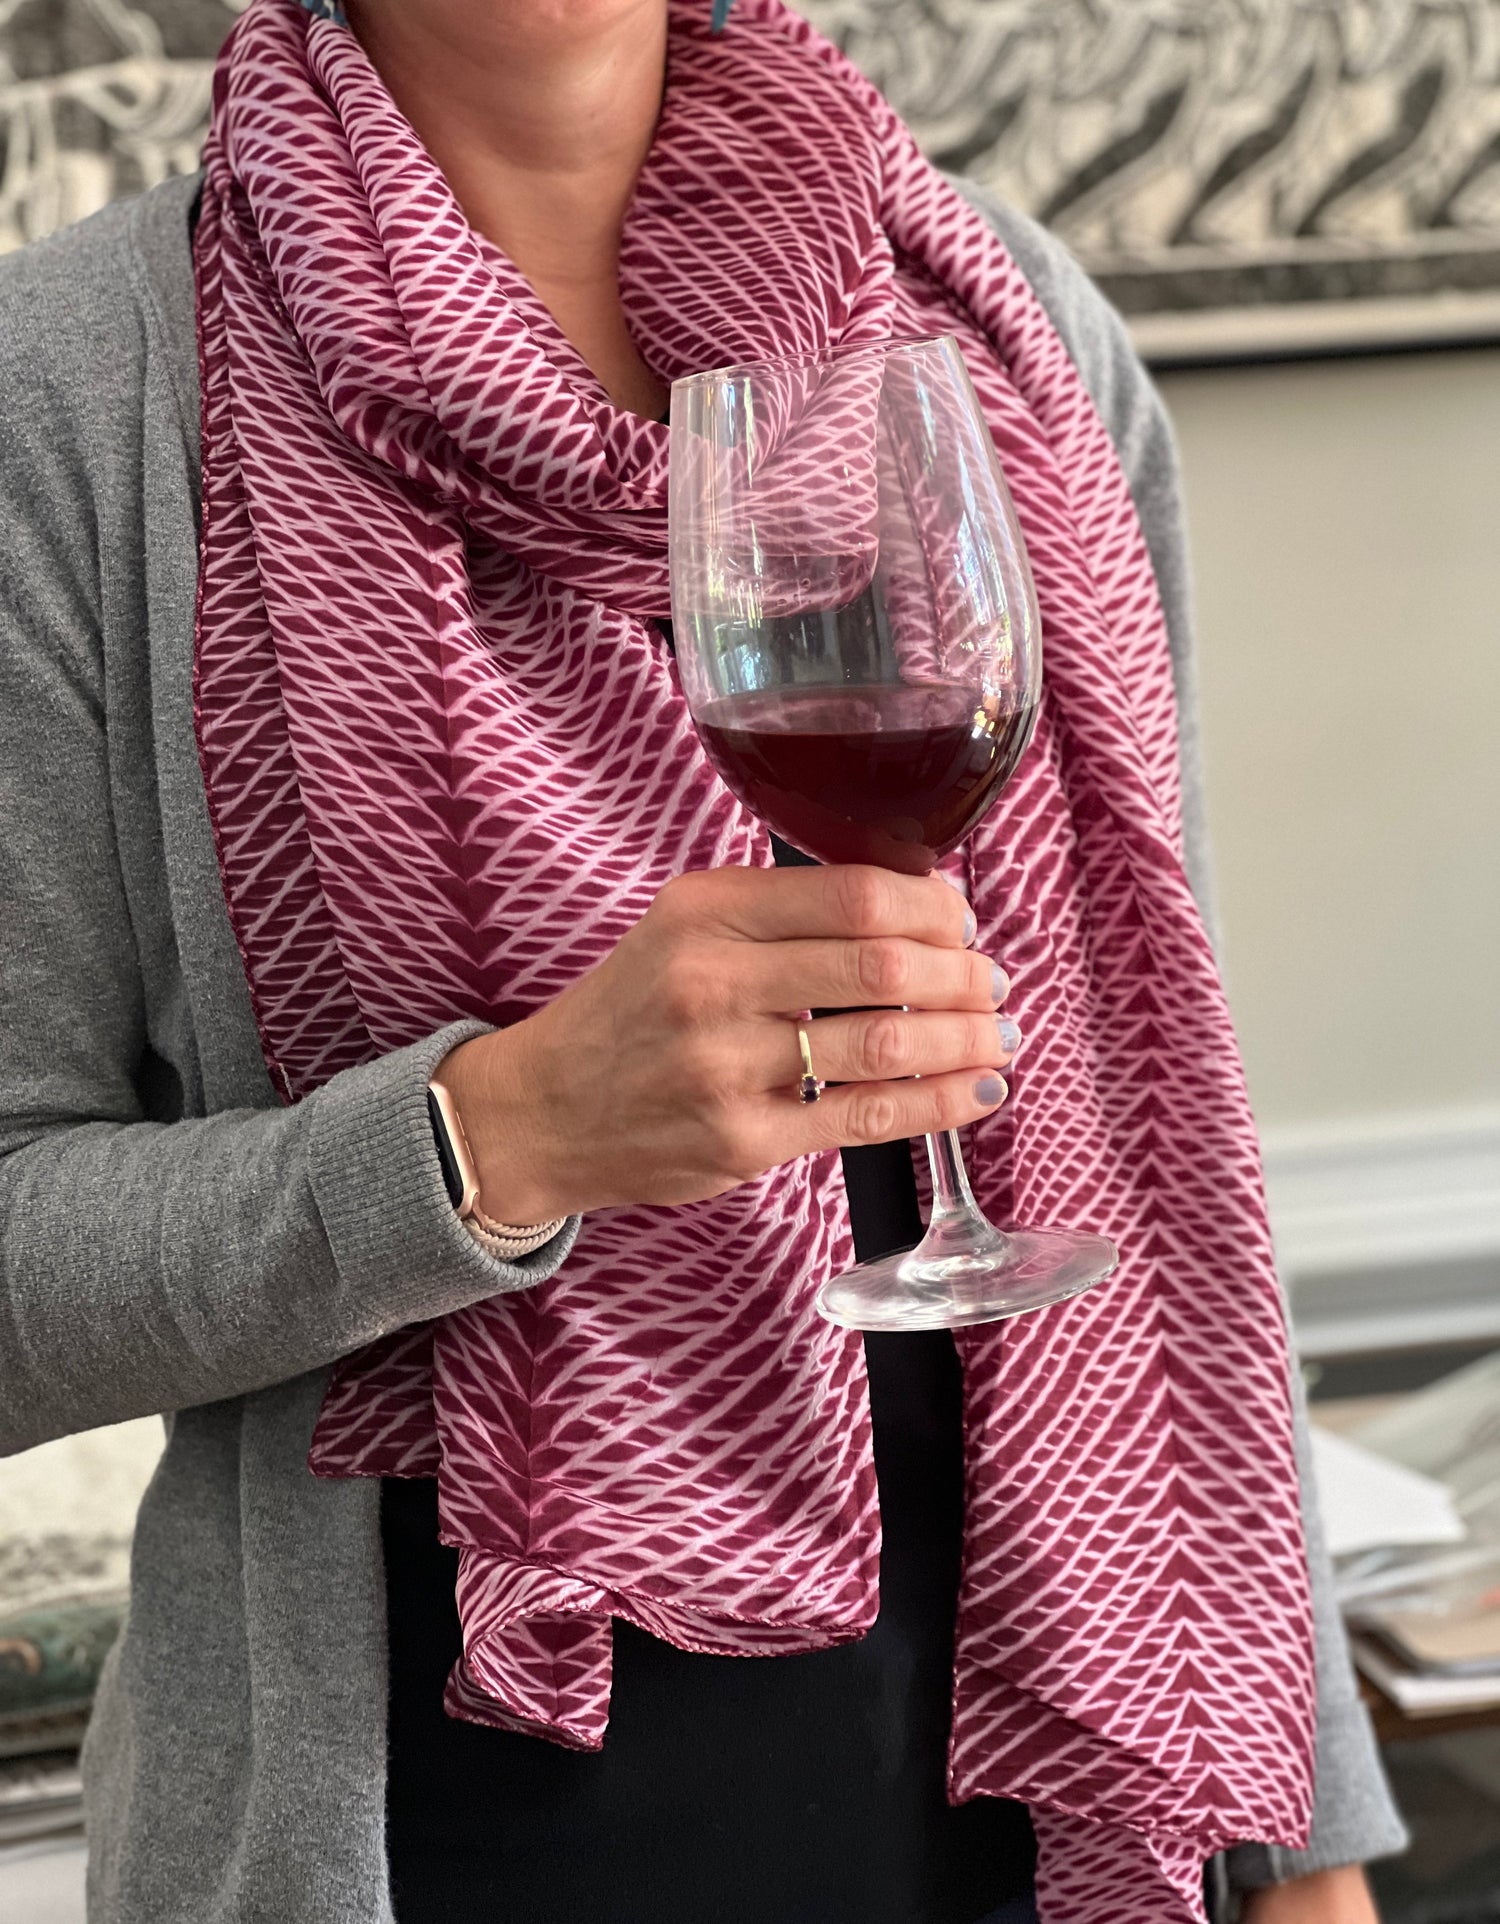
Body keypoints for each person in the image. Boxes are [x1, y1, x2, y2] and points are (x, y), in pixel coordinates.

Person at [0, 0, 1407, 1918]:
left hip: (1059, 1794)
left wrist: (1305, 1823)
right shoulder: (72, 394)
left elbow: (1169, 1154)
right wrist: (491, 1138)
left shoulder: (1008, 330)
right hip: (454, 1833)